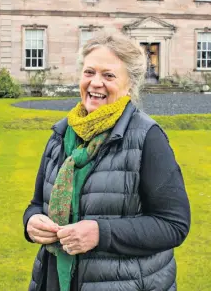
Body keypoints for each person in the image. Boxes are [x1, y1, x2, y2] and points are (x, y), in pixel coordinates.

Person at [23, 32, 191, 291]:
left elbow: (173, 225)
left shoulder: (147, 137)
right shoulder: (62, 134)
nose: (95, 83)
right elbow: (36, 204)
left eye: (109, 75)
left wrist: (101, 233)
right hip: (55, 280)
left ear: (129, 85)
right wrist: (31, 222)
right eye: (89, 72)